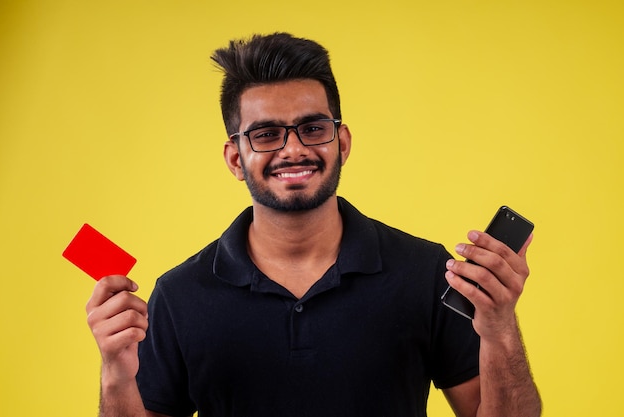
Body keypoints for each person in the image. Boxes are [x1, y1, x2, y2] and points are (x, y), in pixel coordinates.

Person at [86, 32, 542, 417]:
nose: (292, 149)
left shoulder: (425, 273)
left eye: (312, 128)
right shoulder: (180, 295)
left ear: (341, 142)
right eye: (266, 134)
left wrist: (500, 327)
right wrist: (115, 375)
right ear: (235, 158)